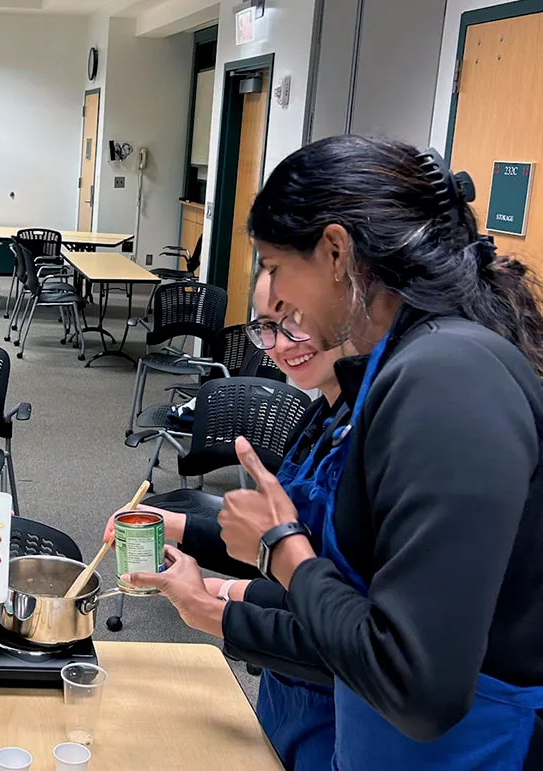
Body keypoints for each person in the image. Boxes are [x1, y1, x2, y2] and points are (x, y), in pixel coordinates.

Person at [130, 136, 543, 769]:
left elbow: (416, 682)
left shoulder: (449, 377)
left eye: (273, 266)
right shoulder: (396, 370)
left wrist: (282, 549)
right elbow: (361, 602)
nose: (274, 297)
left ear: (335, 251)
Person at [106, 268, 349, 770]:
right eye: (266, 326)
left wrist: (215, 612)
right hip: (289, 692)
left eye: (296, 320)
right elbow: (285, 566)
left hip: (346, 712)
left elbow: (350, 632)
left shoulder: (386, 440)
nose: (281, 345)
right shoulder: (321, 416)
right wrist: (172, 527)